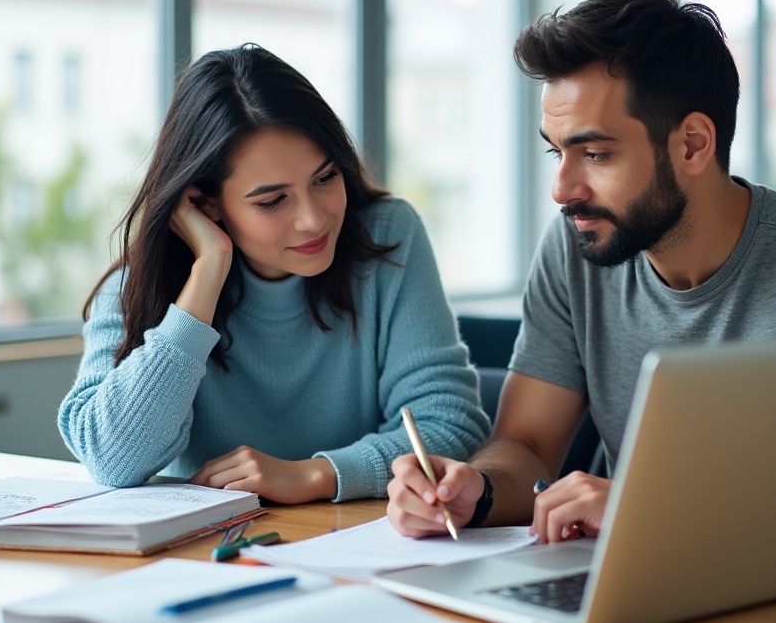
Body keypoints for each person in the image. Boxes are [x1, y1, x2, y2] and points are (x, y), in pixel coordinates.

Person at [386, 0, 776, 554]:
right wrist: (479, 490)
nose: (561, 189)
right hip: (637, 580)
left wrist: (655, 512)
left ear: (693, 144)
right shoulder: (576, 246)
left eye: (595, 155)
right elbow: (524, 444)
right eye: (557, 152)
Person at [59, 43, 490, 502]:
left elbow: (449, 424)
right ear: (206, 205)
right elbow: (111, 459)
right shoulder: (135, 287)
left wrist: (313, 475)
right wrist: (208, 272)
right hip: (210, 556)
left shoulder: (387, 236)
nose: (314, 219)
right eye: (271, 201)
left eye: (325, 179)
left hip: (356, 544)